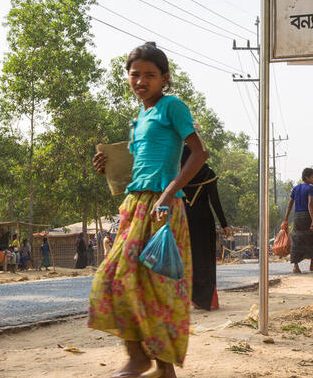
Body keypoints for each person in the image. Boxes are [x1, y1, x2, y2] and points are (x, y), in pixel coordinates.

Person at [89, 42, 207, 378]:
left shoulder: (172, 107)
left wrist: (168, 196)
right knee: (114, 280)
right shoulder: (138, 118)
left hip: (162, 209)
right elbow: (140, 167)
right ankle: (140, 358)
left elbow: (199, 154)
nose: (142, 80)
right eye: (135, 74)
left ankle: (162, 367)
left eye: (150, 75)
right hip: (135, 205)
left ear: (164, 79)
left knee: (159, 286)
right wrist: (107, 167)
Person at [180, 145, 231, 310]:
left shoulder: (178, 175)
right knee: (205, 258)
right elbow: (215, 201)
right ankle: (205, 300)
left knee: (186, 257)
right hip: (203, 218)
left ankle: (188, 298)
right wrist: (224, 225)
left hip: (182, 219)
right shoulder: (207, 173)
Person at [282, 168, 313, 274]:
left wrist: (285, 219)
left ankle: (296, 267)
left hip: (297, 217)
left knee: (297, 239)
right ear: (307, 178)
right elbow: (310, 204)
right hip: (306, 216)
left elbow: (290, 204)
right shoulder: (310, 188)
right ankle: (312, 264)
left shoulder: (295, 188)